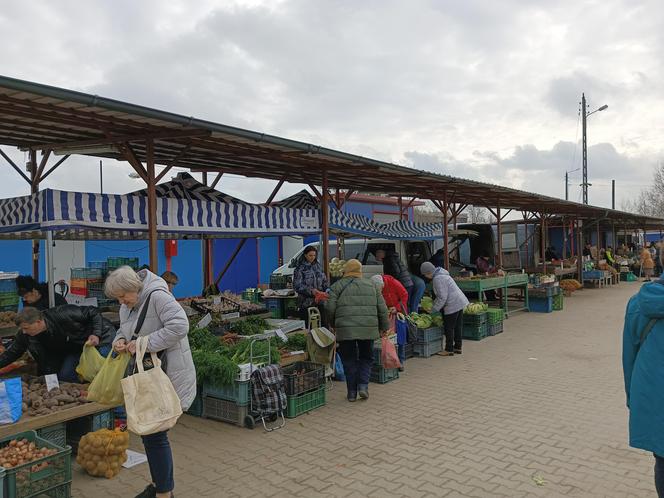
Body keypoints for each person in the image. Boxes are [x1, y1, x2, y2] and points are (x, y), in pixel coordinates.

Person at [105, 266, 195, 498]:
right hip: (146, 374)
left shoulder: (157, 296)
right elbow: (127, 330)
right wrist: (121, 340)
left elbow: (180, 326)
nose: (121, 302)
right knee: (150, 433)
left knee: (154, 434)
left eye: (123, 296)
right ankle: (161, 487)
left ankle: (164, 492)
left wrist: (145, 343)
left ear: (134, 287)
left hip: (164, 373)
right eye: (118, 298)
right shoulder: (129, 303)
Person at [622, 279, 664, 497]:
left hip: (655, 398)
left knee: (663, 461)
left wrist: (633, 400)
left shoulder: (638, 303)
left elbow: (629, 358)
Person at [327, 259, 388, 402]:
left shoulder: (336, 287)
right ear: (360, 271)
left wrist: (333, 323)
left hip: (346, 329)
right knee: (366, 357)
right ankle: (363, 386)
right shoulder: (372, 285)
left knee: (349, 360)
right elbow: (382, 309)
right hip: (368, 328)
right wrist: (384, 327)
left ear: (346, 271)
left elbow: (329, 308)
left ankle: (351, 393)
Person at [0, 305, 114, 381]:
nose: (24, 332)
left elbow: (92, 311)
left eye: (26, 328)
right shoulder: (25, 334)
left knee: (100, 374)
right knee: (65, 376)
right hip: (76, 347)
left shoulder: (62, 314)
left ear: (38, 322)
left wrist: (96, 334)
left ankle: (112, 409)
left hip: (102, 338)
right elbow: (12, 353)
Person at [421, 262, 469, 356]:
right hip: (459, 301)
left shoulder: (438, 278)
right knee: (458, 326)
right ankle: (458, 347)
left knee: (449, 327)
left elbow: (442, 297)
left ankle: (449, 349)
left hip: (452, 303)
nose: (426, 277)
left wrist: (434, 309)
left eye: (425, 275)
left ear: (428, 272)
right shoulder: (442, 274)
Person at [371, 274, 408, 369]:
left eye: (380, 289)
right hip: (386, 314)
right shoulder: (375, 287)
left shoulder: (393, 283)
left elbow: (404, 295)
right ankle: (388, 360)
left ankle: (400, 361)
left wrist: (397, 307)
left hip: (397, 314)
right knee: (387, 338)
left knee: (400, 337)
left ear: (382, 284)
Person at [292, 246, 329, 328]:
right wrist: (312, 291)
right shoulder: (300, 269)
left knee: (323, 325)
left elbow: (324, 281)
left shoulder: (318, 267)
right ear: (305, 255)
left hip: (320, 302)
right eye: (310, 255)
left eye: (314, 255)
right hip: (306, 303)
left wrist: (327, 289)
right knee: (309, 327)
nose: (312, 257)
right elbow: (297, 285)